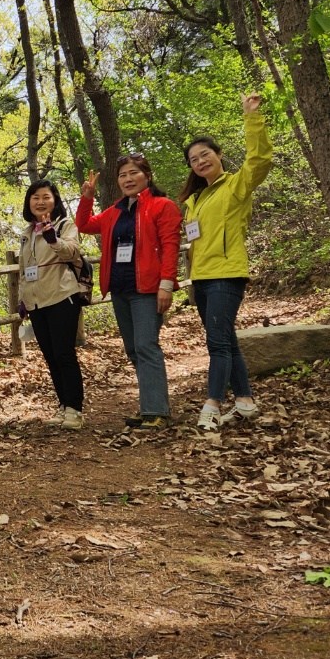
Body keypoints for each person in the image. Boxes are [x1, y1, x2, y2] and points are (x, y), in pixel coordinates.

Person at [178, 94, 274, 429]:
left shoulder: (236, 185)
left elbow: (260, 160)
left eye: (205, 155)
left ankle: (212, 405)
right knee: (226, 340)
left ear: (219, 155)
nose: (200, 162)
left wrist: (252, 118)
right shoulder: (195, 200)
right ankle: (245, 401)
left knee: (216, 343)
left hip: (227, 274)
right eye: (193, 160)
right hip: (202, 279)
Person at [77, 155, 182, 429]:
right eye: (123, 174)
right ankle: (149, 406)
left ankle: (157, 411)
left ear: (147, 176)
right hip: (120, 288)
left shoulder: (163, 206)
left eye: (133, 173)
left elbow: (170, 248)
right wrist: (87, 197)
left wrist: (166, 285)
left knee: (147, 346)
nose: (127, 179)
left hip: (148, 288)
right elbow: (85, 225)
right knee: (134, 349)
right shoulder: (115, 211)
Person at [18, 180, 87, 429]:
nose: (40, 202)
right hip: (36, 302)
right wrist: (22, 301)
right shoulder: (27, 233)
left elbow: (72, 252)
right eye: (35, 197)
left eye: (45, 196)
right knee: (50, 356)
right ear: (29, 203)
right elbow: (24, 270)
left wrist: (53, 238)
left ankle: (75, 409)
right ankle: (63, 404)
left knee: (64, 353)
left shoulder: (65, 225)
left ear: (55, 200)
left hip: (61, 296)